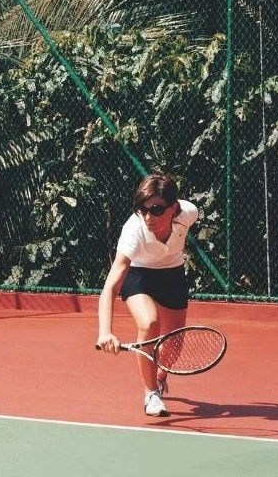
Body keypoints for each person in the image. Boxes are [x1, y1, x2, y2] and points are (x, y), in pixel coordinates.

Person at [95, 173, 200, 417]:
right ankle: (150, 393)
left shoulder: (188, 213)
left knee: (172, 349)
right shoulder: (134, 231)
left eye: (156, 209)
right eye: (142, 209)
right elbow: (110, 286)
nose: (148, 216)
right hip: (139, 273)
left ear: (173, 208)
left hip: (172, 274)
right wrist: (105, 331)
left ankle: (159, 377)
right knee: (150, 322)